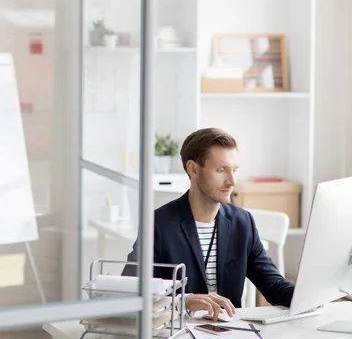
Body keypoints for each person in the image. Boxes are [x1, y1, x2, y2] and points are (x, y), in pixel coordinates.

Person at [122, 128, 294, 320]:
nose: (232, 181)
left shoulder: (242, 222)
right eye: (221, 170)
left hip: (230, 332)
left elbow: (274, 286)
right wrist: (185, 301)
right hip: (180, 330)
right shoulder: (158, 224)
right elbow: (130, 290)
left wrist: (310, 293)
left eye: (234, 170)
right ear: (193, 169)